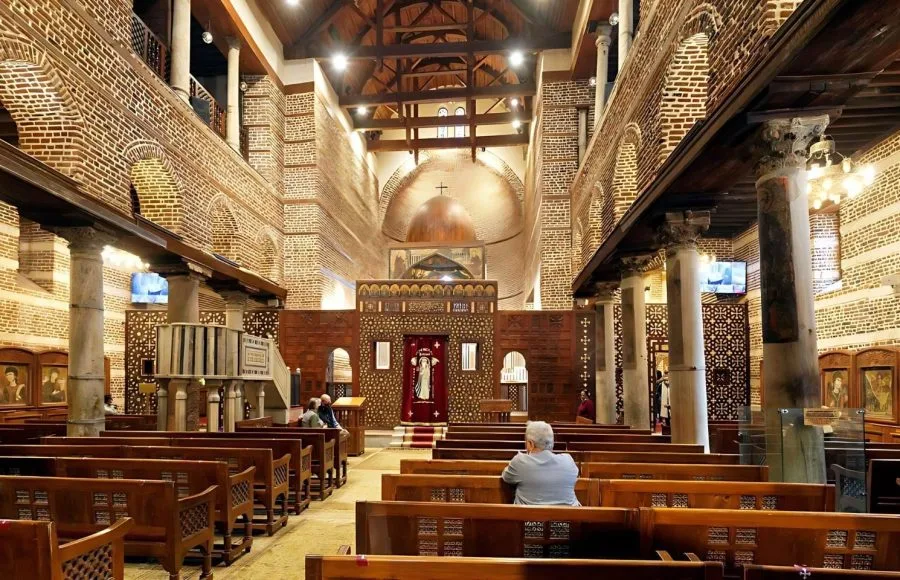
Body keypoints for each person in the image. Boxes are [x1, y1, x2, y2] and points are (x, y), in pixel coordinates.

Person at [500, 421, 580, 506]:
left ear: (531, 444)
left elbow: (506, 477)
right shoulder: (568, 460)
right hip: (568, 518)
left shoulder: (520, 461)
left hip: (529, 518)